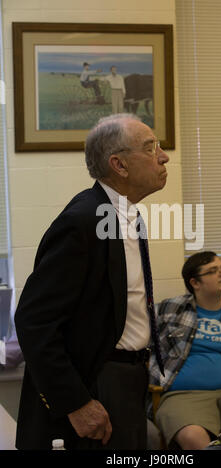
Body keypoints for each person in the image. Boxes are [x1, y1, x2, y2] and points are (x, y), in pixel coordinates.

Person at [14, 113, 169, 450]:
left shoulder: (129, 215)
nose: (163, 155)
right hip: (95, 383)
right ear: (120, 165)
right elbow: (33, 321)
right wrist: (75, 403)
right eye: (151, 147)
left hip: (130, 379)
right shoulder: (82, 221)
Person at [148, 251, 221, 450]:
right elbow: (138, 338)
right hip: (183, 397)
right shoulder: (169, 309)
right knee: (193, 437)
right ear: (195, 283)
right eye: (213, 271)